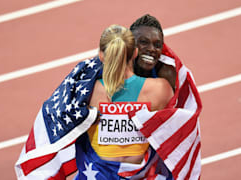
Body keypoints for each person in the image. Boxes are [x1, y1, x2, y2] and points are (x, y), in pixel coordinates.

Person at [74, 24, 174, 179]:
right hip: (141, 174)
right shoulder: (160, 90)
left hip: (96, 175)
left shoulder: (87, 91)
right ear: (135, 53)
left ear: (101, 55)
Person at [130, 14, 176, 89]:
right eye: (144, 42)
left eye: (157, 45)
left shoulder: (166, 75)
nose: (151, 49)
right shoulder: (113, 70)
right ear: (130, 43)